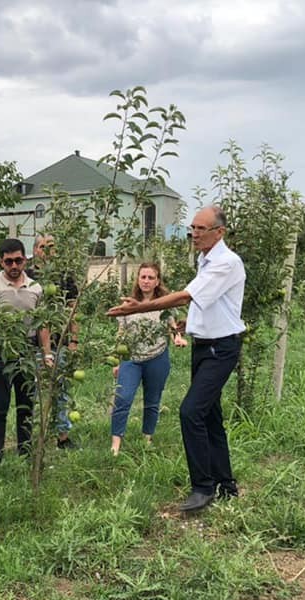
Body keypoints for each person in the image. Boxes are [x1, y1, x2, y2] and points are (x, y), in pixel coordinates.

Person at [107, 206, 245, 513]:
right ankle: (226, 484)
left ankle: (203, 487)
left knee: (190, 412)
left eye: (201, 229)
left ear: (219, 232)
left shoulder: (226, 263)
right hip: (204, 344)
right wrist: (188, 324)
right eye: (192, 228)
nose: (194, 233)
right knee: (209, 416)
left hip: (221, 349)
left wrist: (138, 308)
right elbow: (209, 302)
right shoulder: (205, 259)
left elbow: (186, 296)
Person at [0, 238, 49, 459]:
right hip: (1, 351)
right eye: (9, 262)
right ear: (1, 262)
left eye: (18, 260)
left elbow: (43, 323)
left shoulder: (36, 287)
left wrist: (47, 353)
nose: (14, 266)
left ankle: (25, 452)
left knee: (26, 404)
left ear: (25, 260)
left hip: (27, 351)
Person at [110, 262, 188, 456]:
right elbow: (121, 334)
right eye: (143, 277)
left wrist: (177, 338)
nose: (146, 281)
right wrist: (117, 361)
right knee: (123, 398)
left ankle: (147, 439)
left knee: (152, 400)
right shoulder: (127, 304)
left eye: (150, 277)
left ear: (157, 281)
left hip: (157, 357)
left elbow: (172, 328)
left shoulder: (165, 304)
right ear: (137, 279)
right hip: (131, 358)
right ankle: (115, 445)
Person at [26, 234, 80, 449]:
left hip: (61, 342)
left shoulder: (65, 276)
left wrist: (74, 340)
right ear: (35, 250)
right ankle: (33, 438)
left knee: (61, 392)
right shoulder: (28, 277)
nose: (47, 251)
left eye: (51, 246)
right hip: (33, 344)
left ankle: (62, 436)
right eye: (42, 246)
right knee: (35, 391)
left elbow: (73, 310)